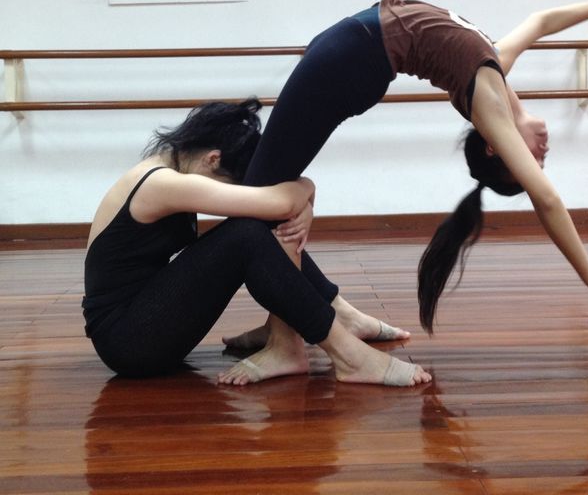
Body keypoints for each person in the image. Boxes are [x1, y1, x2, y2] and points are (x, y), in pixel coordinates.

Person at [222, 0, 588, 377]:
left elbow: (548, 199)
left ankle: (288, 343)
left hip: (347, 60)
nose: (541, 153)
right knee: (265, 194)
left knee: (262, 199)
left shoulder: (490, 106)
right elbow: (541, 21)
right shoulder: (496, 69)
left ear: (496, 148)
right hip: (348, 51)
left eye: (530, 161)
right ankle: (320, 313)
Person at [82, 99, 431, 386]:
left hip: (144, 323)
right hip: (129, 342)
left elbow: (278, 204)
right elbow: (279, 202)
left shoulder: (168, 170)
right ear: (213, 158)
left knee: (254, 226)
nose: (231, 188)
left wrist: (299, 200)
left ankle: (334, 312)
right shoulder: (161, 184)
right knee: (247, 232)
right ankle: (347, 353)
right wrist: (306, 192)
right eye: (230, 180)